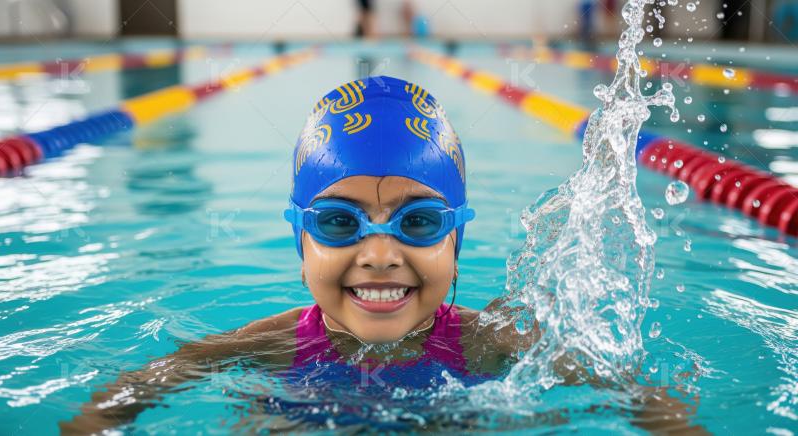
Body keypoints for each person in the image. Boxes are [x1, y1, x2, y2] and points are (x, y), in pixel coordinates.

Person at [60, 76, 702, 433]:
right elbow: (156, 379)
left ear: (456, 243)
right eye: (340, 224)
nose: (379, 254)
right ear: (300, 243)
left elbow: (630, 394)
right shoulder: (275, 344)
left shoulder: (489, 343)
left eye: (418, 223)